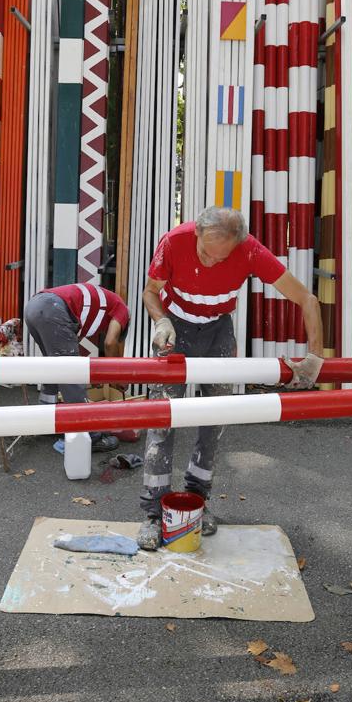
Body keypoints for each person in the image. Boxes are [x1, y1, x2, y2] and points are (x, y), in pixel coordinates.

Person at [137, 206, 324, 549]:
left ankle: (198, 501)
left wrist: (315, 355)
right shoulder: (174, 240)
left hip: (218, 331)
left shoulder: (250, 249)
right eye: (206, 253)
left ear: (238, 245)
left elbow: (307, 299)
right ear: (196, 235)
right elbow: (151, 291)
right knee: (161, 415)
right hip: (175, 325)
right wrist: (160, 320)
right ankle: (152, 512)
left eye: (220, 258)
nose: (210, 263)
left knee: (214, 419)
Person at [24, 283, 130, 452]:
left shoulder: (96, 307)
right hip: (53, 309)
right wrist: (117, 378)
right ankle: (88, 435)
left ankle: (47, 421)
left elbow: (69, 344)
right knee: (72, 373)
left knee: (53, 367)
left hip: (34, 307)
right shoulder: (122, 309)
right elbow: (110, 343)